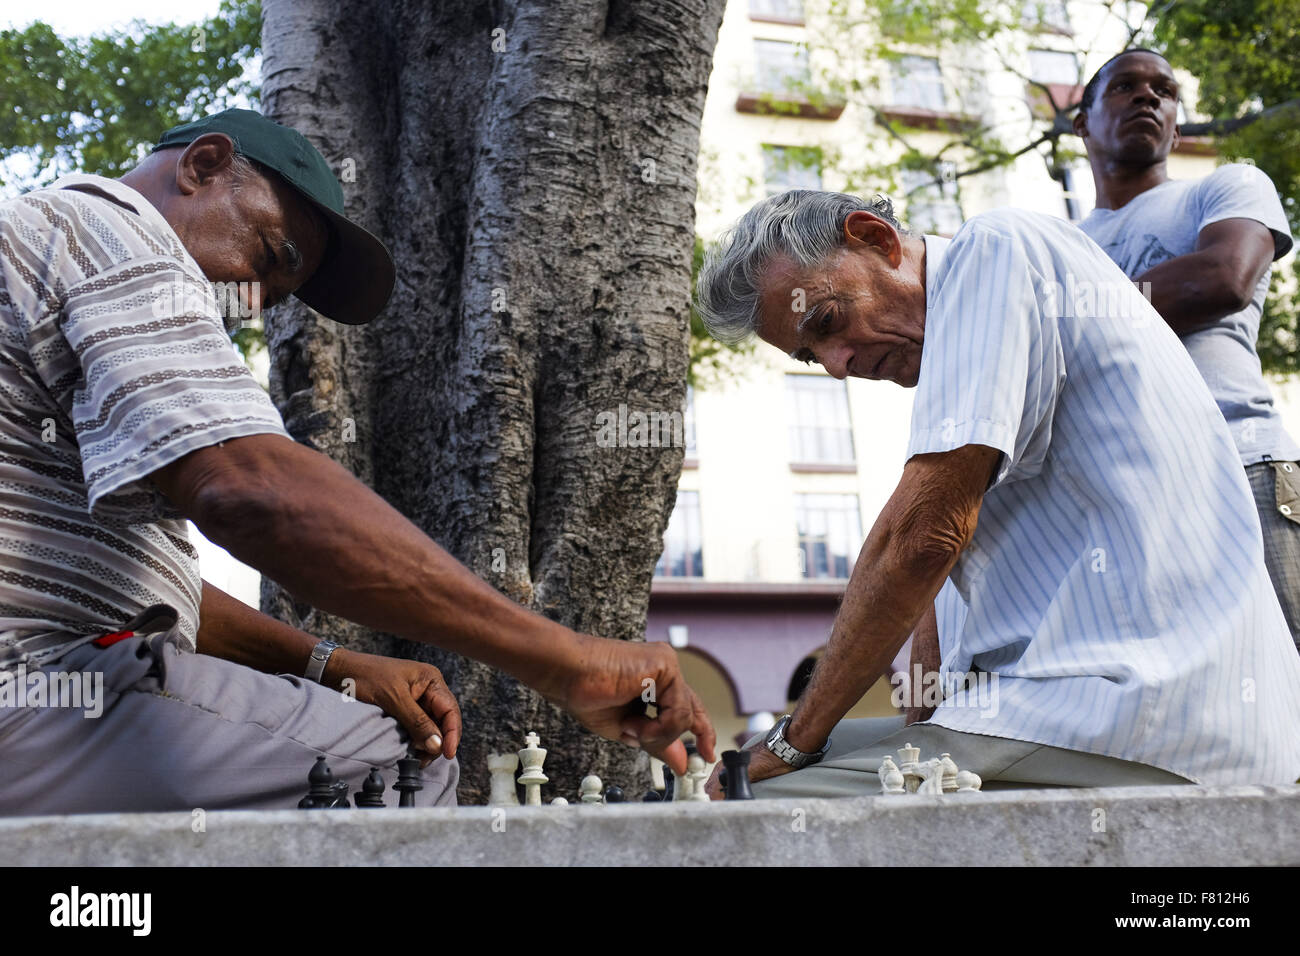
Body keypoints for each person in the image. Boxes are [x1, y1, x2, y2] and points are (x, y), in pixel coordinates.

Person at [0, 108, 714, 814]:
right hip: (32, 692)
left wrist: (331, 664)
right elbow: (249, 490)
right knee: (406, 765)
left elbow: (157, 589)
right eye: (266, 256)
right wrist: (568, 662)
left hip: (49, 692)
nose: (244, 305)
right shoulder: (112, 235)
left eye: (269, 299)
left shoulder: (41, 250)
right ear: (203, 166)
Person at [693, 188, 1300, 798]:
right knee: (739, 774)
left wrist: (793, 741)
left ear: (875, 239)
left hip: (1135, 710)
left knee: (744, 801)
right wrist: (921, 720)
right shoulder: (950, 365)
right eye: (809, 355)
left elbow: (924, 539)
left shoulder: (995, 252)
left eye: (826, 323)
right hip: (1073, 710)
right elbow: (930, 572)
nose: (836, 366)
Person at [1075, 49, 1300, 651]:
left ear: (1176, 119)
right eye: (1125, 86)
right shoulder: (1062, 242)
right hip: (1131, 508)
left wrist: (1062, 314)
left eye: (1165, 91)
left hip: (1245, 464)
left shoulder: (1229, 186)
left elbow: (1221, 278)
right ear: (1082, 121)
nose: (1149, 97)